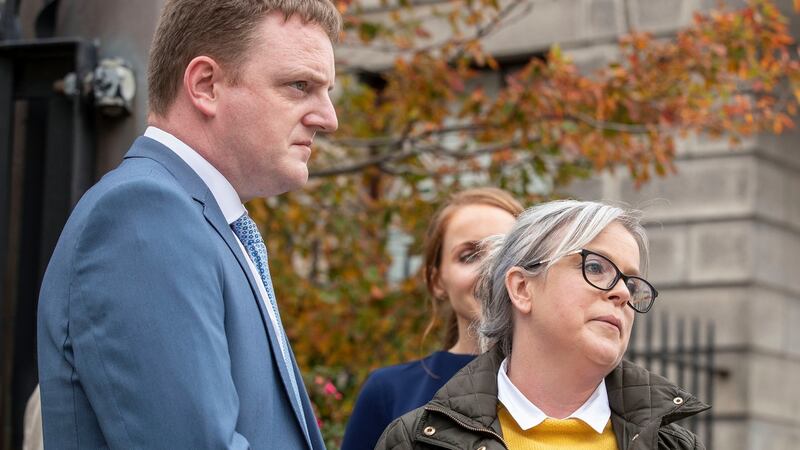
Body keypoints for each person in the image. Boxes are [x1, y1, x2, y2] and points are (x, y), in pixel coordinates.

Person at [36, 0, 340, 448]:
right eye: (299, 85)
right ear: (205, 85)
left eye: (327, 91)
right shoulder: (143, 213)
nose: (328, 118)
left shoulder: (200, 219)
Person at [376, 200, 710, 450]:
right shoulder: (417, 441)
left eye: (632, 282)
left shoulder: (674, 445)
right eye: (595, 268)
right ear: (522, 288)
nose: (623, 292)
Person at [341, 187, 523, 450]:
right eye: (469, 255)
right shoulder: (389, 391)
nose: (490, 271)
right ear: (437, 279)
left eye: (506, 253)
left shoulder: (573, 386)